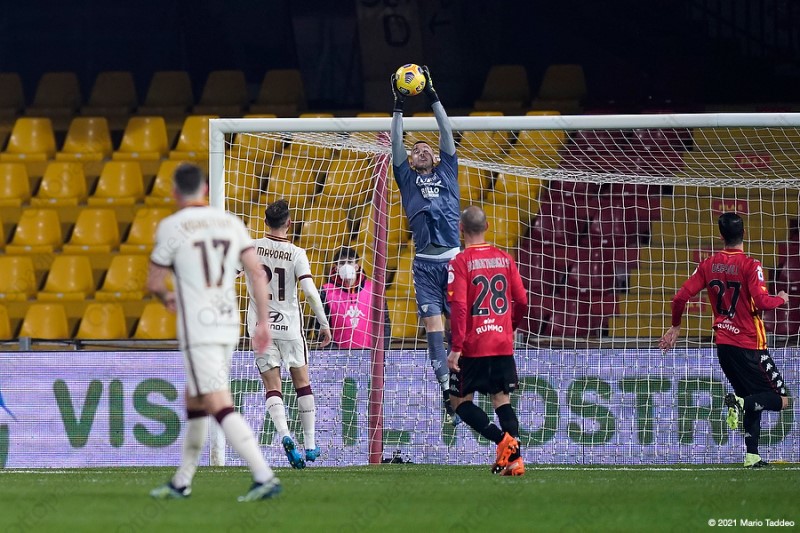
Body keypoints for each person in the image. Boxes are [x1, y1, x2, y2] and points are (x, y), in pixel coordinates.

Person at [147, 163, 280, 501]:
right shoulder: (230, 223)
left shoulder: (171, 226)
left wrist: (166, 296)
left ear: (175, 192)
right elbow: (257, 273)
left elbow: (153, 282)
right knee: (195, 399)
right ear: (205, 189)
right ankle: (182, 481)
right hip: (227, 323)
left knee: (218, 401)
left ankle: (264, 475)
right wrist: (264, 322)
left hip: (198, 327)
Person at [660, 212, 791, 468]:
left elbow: (679, 298)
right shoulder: (751, 265)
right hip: (750, 346)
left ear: (721, 236)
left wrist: (675, 326)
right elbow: (763, 302)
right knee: (782, 400)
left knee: (753, 396)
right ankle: (740, 404)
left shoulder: (708, 264)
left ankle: (752, 455)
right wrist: (782, 299)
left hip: (723, 346)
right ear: (744, 233)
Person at [390, 64, 462, 425]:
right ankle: (446, 392)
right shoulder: (405, 177)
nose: (420, 151)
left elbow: (446, 131)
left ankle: (464, 381)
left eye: (425, 149)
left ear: (435, 157)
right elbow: (396, 142)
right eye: (415, 149)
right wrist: (398, 105)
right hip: (424, 266)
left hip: (454, 263)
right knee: (433, 329)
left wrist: (432, 96)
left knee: (460, 330)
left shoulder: (447, 171)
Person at [244, 199, 332, 469]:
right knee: (302, 384)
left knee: (273, 387)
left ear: (264, 221)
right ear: (289, 223)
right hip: (290, 328)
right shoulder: (297, 253)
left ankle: (285, 434)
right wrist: (324, 323)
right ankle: (310, 444)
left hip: (261, 328)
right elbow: (310, 292)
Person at [446, 206, 528, 475]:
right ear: (487, 226)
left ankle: (503, 441)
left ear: (461, 229)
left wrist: (456, 347)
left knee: (460, 403)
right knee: (502, 401)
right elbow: (522, 300)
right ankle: (515, 461)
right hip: (501, 343)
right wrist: (509, 327)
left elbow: (459, 307)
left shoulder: (460, 262)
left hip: (474, 346)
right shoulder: (505, 259)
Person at [320, 246, 391, 350]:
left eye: (349, 262)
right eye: (342, 263)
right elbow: (320, 326)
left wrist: (382, 350)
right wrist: (332, 352)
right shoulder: (326, 291)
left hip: (370, 353)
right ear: (336, 268)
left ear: (357, 266)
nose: (346, 266)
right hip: (338, 354)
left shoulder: (373, 289)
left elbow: (385, 323)